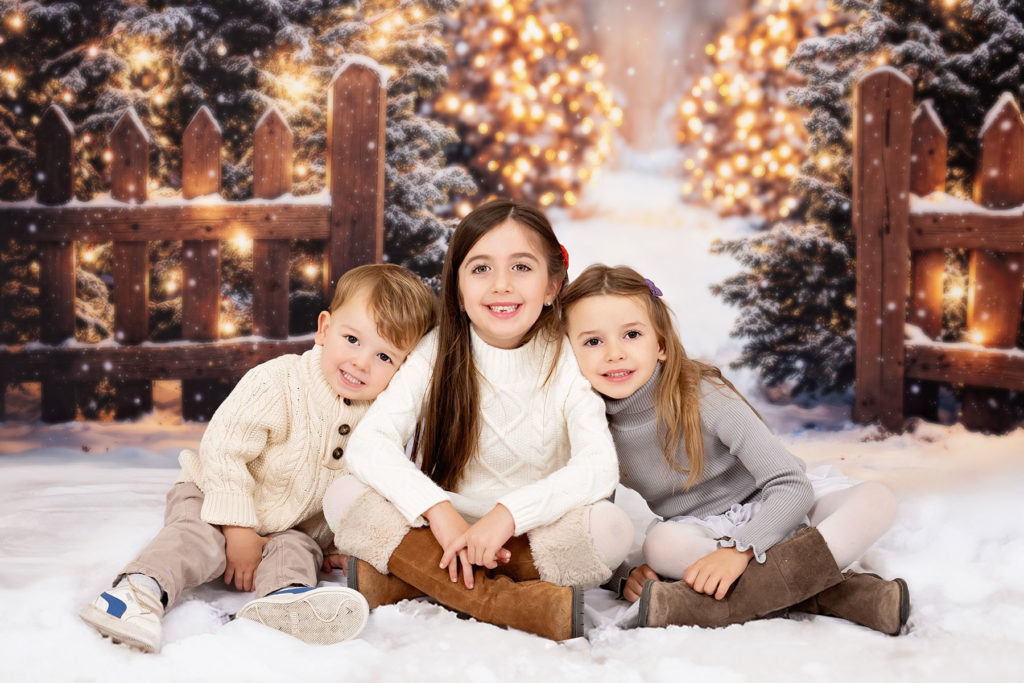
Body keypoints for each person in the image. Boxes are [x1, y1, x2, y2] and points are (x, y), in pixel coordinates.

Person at [79, 264, 437, 652]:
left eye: (385, 357)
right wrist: (237, 529)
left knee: (300, 552)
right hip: (213, 495)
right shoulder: (279, 382)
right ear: (324, 329)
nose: (361, 362)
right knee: (196, 539)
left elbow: (357, 489)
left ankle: (284, 601)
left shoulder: (380, 422)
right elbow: (223, 450)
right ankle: (135, 593)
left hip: (290, 526)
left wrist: (336, 544)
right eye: (352, 339)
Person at [322, 199, 633, 641]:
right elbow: (371, 443)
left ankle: (409, 577)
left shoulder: (566, 355)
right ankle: (513, 603)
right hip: (445, 525)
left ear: (552, 286)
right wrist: (440, 512)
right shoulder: (439, 350)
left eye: (522, 268)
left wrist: (508, 515)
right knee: (344, 495)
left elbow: (599, 468)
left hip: (530, 530)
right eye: (481, 268)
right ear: (458, 288)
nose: (501, 285)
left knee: (612, 529)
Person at [561, 264, 910, 635]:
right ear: (570, 355)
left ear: (660, 344)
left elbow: (790, 485)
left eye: (631, 334)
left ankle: (717, 603)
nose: (614, 353)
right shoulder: (592, 427)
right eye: (593, 341)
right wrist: (624, 575)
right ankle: (830, 592)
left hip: (780, 510)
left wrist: (740, 552)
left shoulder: (702, 396)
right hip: (702, 533)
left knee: (876, 500)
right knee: (661, 545)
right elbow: (596, 523)